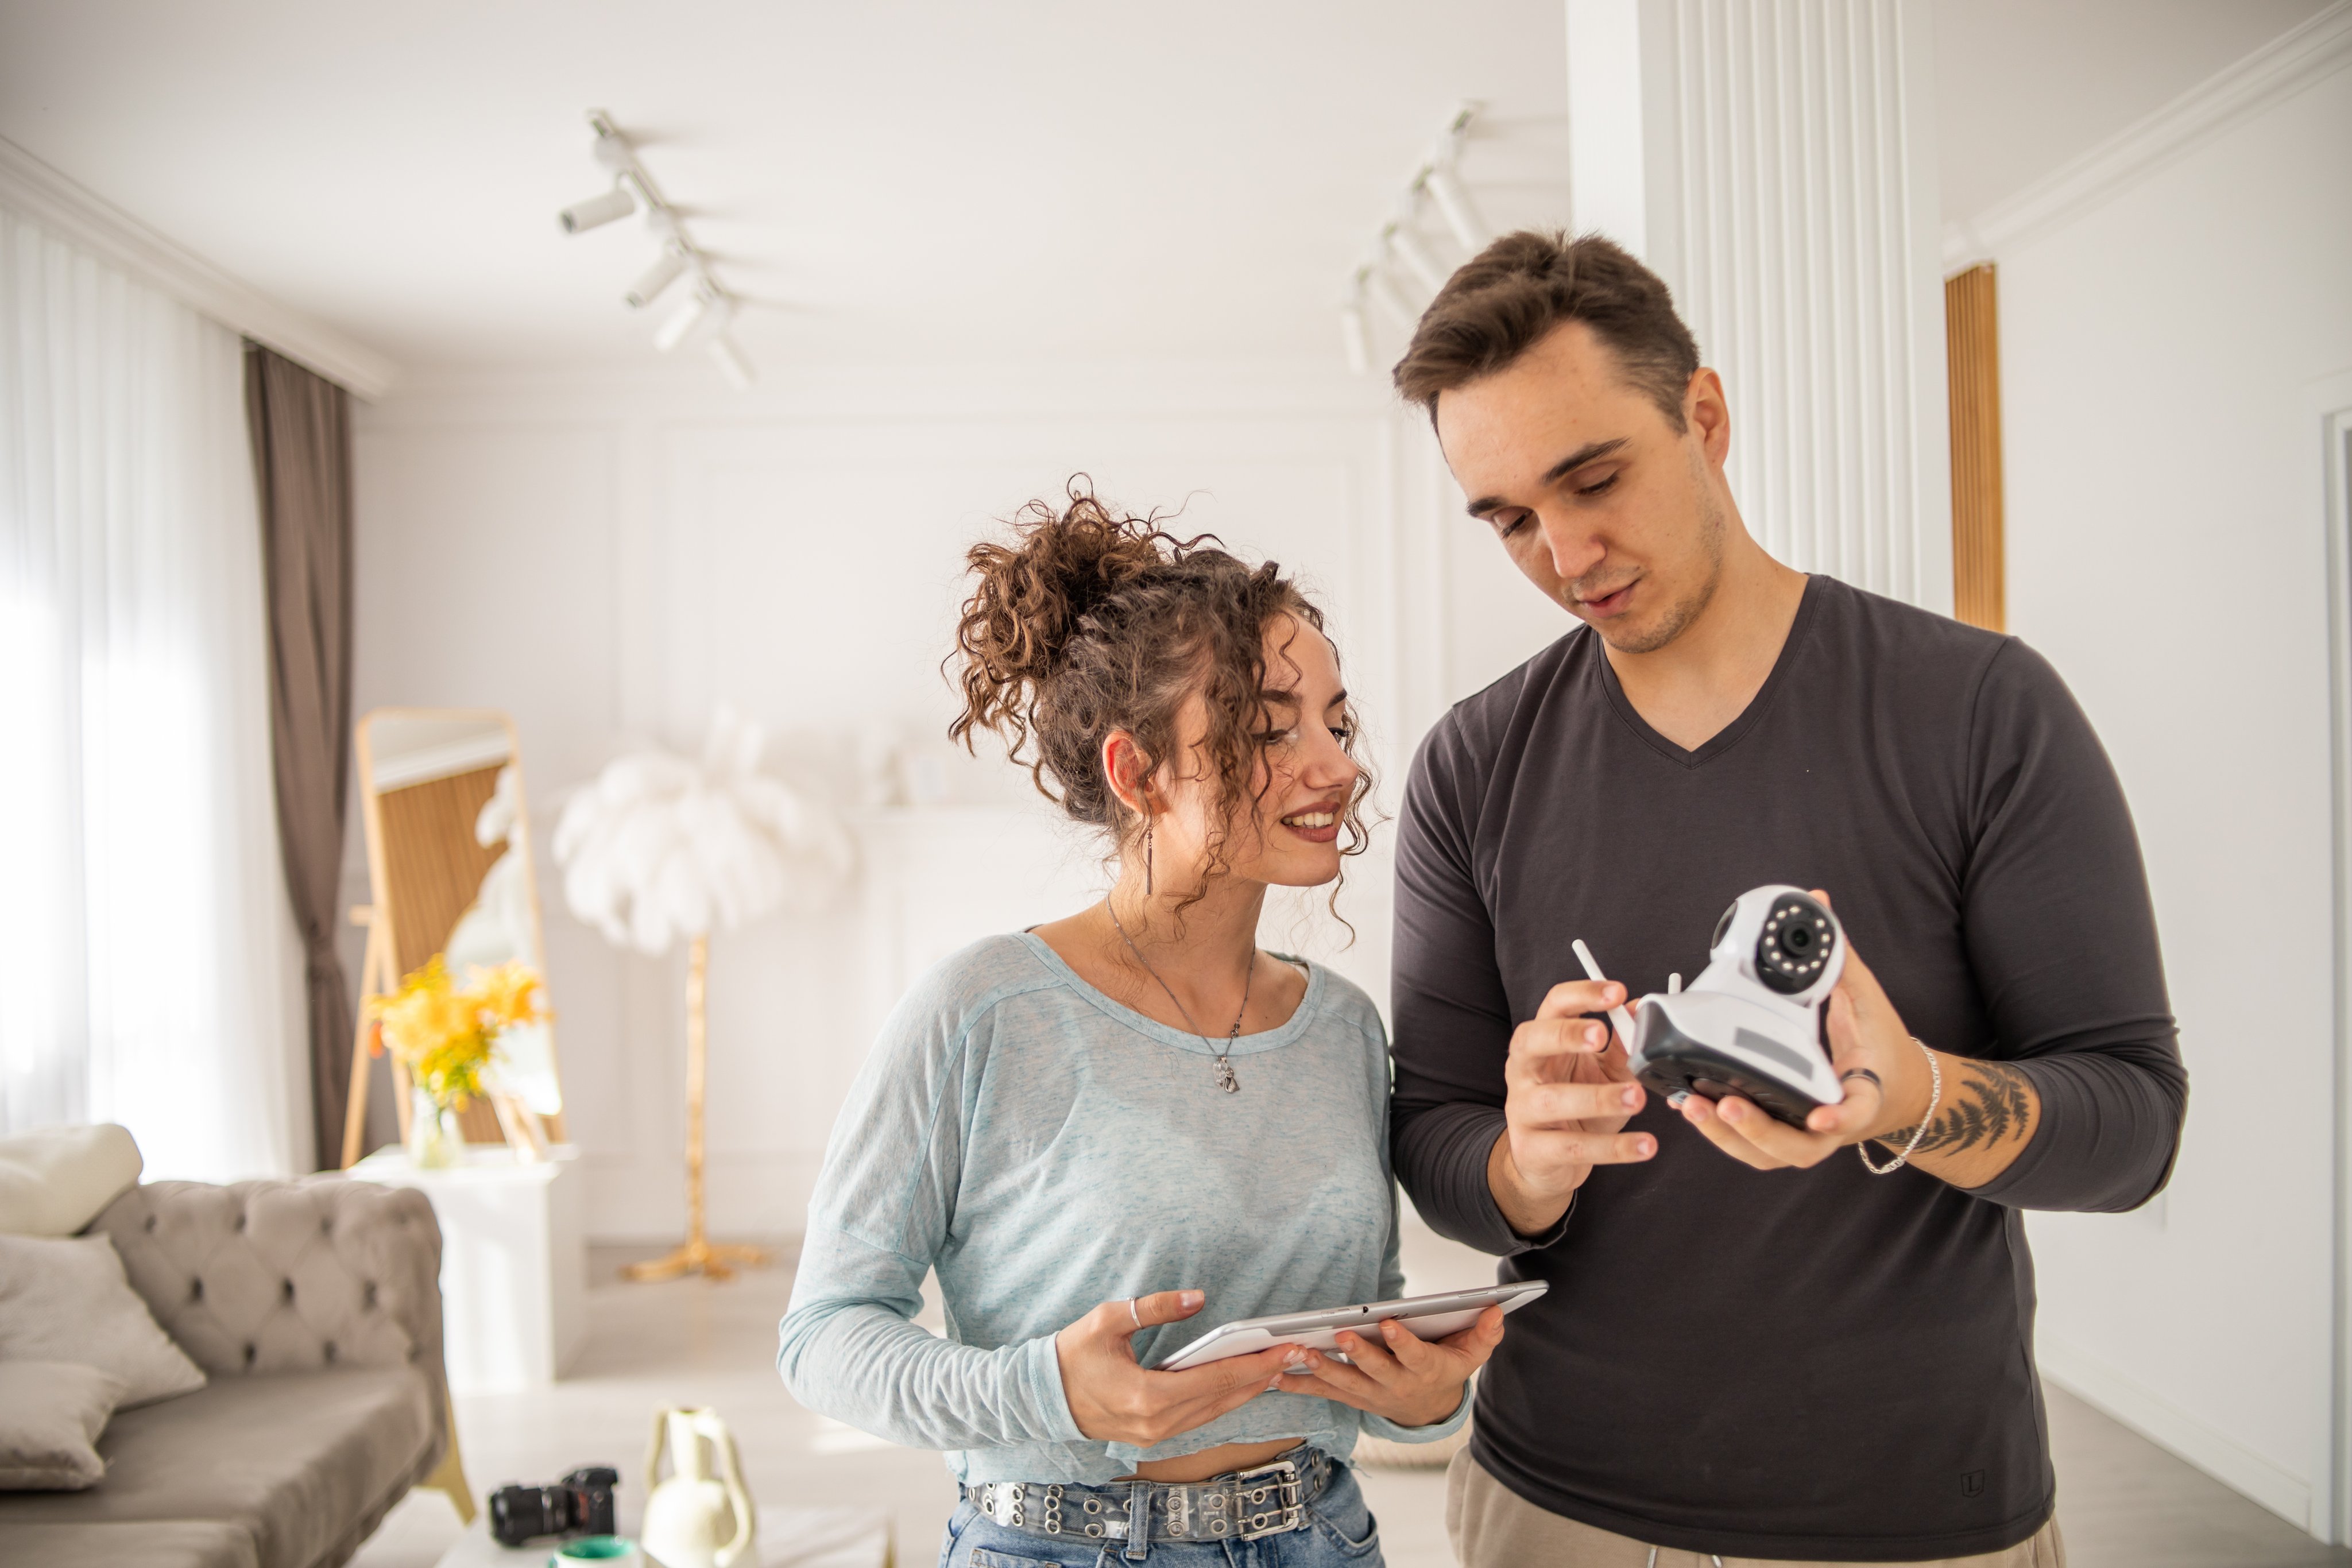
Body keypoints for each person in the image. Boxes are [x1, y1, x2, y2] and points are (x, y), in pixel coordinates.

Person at [1386, 233, 2185, 1567]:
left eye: (1593, 478)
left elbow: (2134, 1126)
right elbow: (1431, 1140)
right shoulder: (1473, 764)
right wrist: (1524, 1161)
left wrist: (1910, 1096)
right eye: (1509, 518)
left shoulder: (1980, 713)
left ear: (1703, 416)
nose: (1564, 552)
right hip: (1552, 1509)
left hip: (1912, 1515)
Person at [778, 487, 1499, 1567]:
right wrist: (1047, 1392)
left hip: (1319, 1538)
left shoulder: (1341, 1028)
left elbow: (1368, 1329)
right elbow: (824, 1339)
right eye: (1270, 730)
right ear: (1137, 772)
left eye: (1336, 722)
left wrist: (1426, 1396)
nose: (1339, 766)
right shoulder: (982, 1012)